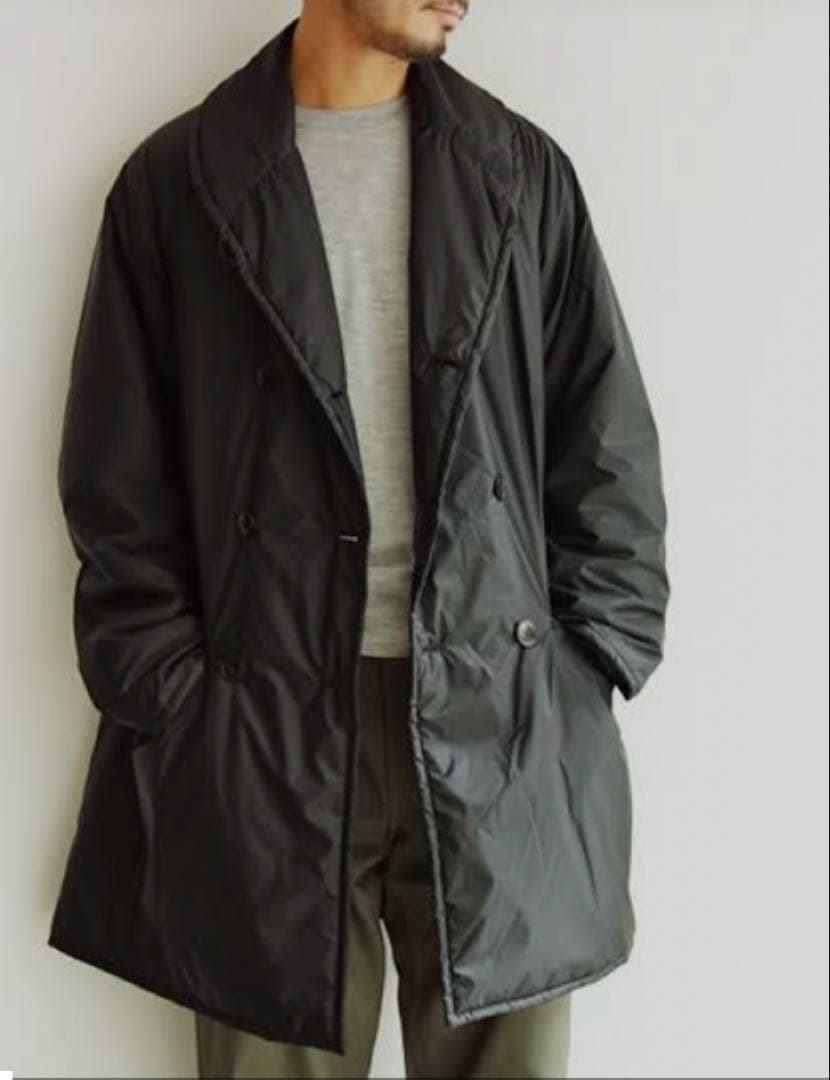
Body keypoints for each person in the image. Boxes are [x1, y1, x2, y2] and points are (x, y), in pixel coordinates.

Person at [47, 3, 670, 1078]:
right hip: (262, 733)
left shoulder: (520, 174)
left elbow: (603, 445)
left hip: (500, 723)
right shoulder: (179, 182)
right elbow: (118, 484)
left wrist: (583, 668)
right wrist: (180, 699)